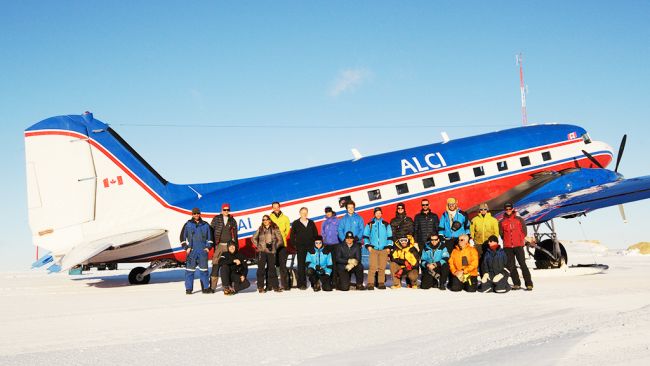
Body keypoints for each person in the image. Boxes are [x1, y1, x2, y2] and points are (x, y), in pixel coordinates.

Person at [500, 202, 533, 291]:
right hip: (508, 246)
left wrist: (519, 239)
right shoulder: (502, 222)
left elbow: (524, 231)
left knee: (523, 264)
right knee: (511, 266)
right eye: (506, 209)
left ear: (512, 209)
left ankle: (529, 284)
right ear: (505, 210)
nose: (508, 210)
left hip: (518, 245)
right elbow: (501, 234)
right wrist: (507, 241)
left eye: (509, 209)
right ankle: (516, 283)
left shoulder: (519, 219)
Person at [180, 208, 213, 294]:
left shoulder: (205, 225)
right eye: (194, 213)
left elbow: (210, 238)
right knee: (189, 271)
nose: (196, 215)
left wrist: (208, 248)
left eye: (198, 213)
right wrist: (186, 247)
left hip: (202, 251)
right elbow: (182, 238)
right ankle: (189, 289)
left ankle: (205, 288)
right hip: (192, 251)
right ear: (192, 214)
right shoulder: (188, 224)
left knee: (204, 270)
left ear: (200, 214)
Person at [209, 203, 238, 291]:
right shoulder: (216, 219)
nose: (226, 211)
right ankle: (212, 287)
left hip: (229, 246)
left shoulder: (232, 220)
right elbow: (210, 231)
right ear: (221, 210)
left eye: (227, 210)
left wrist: (236, 245)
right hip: (219, 245)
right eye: (224, 210)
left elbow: (235, 234)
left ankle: (228, 286)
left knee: (228, 265)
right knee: (216, 264)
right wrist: (211, 243)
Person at [251, 215, 283, 293]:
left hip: (271, 252)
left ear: (269, 220)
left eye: (266, 219)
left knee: (272, 269)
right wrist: (258, 246)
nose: (265, 221)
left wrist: (274, 246)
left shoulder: (275, 228)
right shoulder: (260, 229)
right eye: (263, 220)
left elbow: (280, 240)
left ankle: (275, 286)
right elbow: (253, 238)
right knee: (261, 269)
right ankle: (260, 287)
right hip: (262, 251)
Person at [363, 207, 393, 290]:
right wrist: (368, 246)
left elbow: (390, 236)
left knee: (382, 267)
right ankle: (370, 283)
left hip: (383, 248)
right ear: (374, 214)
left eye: (379, 213)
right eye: (377, 213)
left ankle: (381, 283)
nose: (378, 214)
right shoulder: (370, 224)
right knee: (372, 267)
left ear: (381, 214)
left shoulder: (386, 224)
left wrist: (388, 246)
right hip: (374, 248)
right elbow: (365, 236)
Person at [289, 207, 318, 290]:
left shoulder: (311, 222)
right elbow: (292, 236)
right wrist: (295, 245)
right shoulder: (295, 223)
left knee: (312, 265)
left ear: (307, 213)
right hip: (301, 247)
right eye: (302, 212)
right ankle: (302, 284)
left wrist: (315, 244)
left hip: (310, 247)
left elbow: (315, 234)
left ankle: (314, 282)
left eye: (305, 212)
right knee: (301, 266)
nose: (304, 214)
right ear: (300, 213)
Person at [269, 202, 291, 290]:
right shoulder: (269, 218)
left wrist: (282, 237)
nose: (276, 209)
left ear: (279, 207)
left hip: (282, 244)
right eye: (274, 207)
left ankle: (284, 285)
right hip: (273, 245)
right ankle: (273, 285)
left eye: (277, 207)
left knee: (282, 265)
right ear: (272, 208)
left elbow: (287, 229)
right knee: (272, 265)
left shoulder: (285, 218)